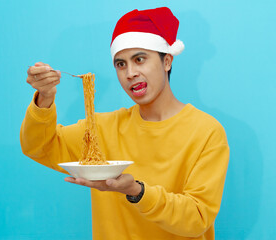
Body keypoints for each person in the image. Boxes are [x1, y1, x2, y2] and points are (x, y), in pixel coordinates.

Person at [20, 7, 229, 240]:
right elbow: (39, 145)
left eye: (139, 59)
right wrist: (45, 97)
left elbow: (197, 219)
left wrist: (136, 191)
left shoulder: (206, 132)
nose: (130, 73)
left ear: (167, 61)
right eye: (121, 64)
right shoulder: (99, 129)